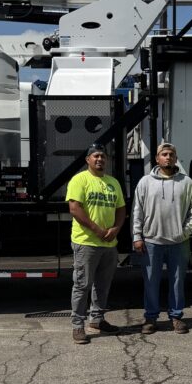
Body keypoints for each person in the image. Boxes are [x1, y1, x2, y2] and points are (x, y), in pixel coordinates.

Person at [132, 142, 192, 335]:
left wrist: (184, 232)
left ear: (176, 158)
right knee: (151, 282)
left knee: (178, 282)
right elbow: (137, 211)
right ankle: (151, 318)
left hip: (178, 242)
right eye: (164, 154)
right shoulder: (145, 182)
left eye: (171, 154)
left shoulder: (186, 182)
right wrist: (137, 236)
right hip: (151, 241)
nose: (168, 157)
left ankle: (176, 317)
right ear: (157, 158)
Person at [66, 144, 126, 345]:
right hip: (87, 242)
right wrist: (98, 230)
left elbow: (121, 209)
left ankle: (98, 320)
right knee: (82, 285)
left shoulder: (113, 182)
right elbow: (75, 208)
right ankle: (77, 326)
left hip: (109, 243)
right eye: (96, 156)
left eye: (103, 156)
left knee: (103, 285)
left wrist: (116, 229)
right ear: (88, 160)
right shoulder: (80, 180)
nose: (100, 159)